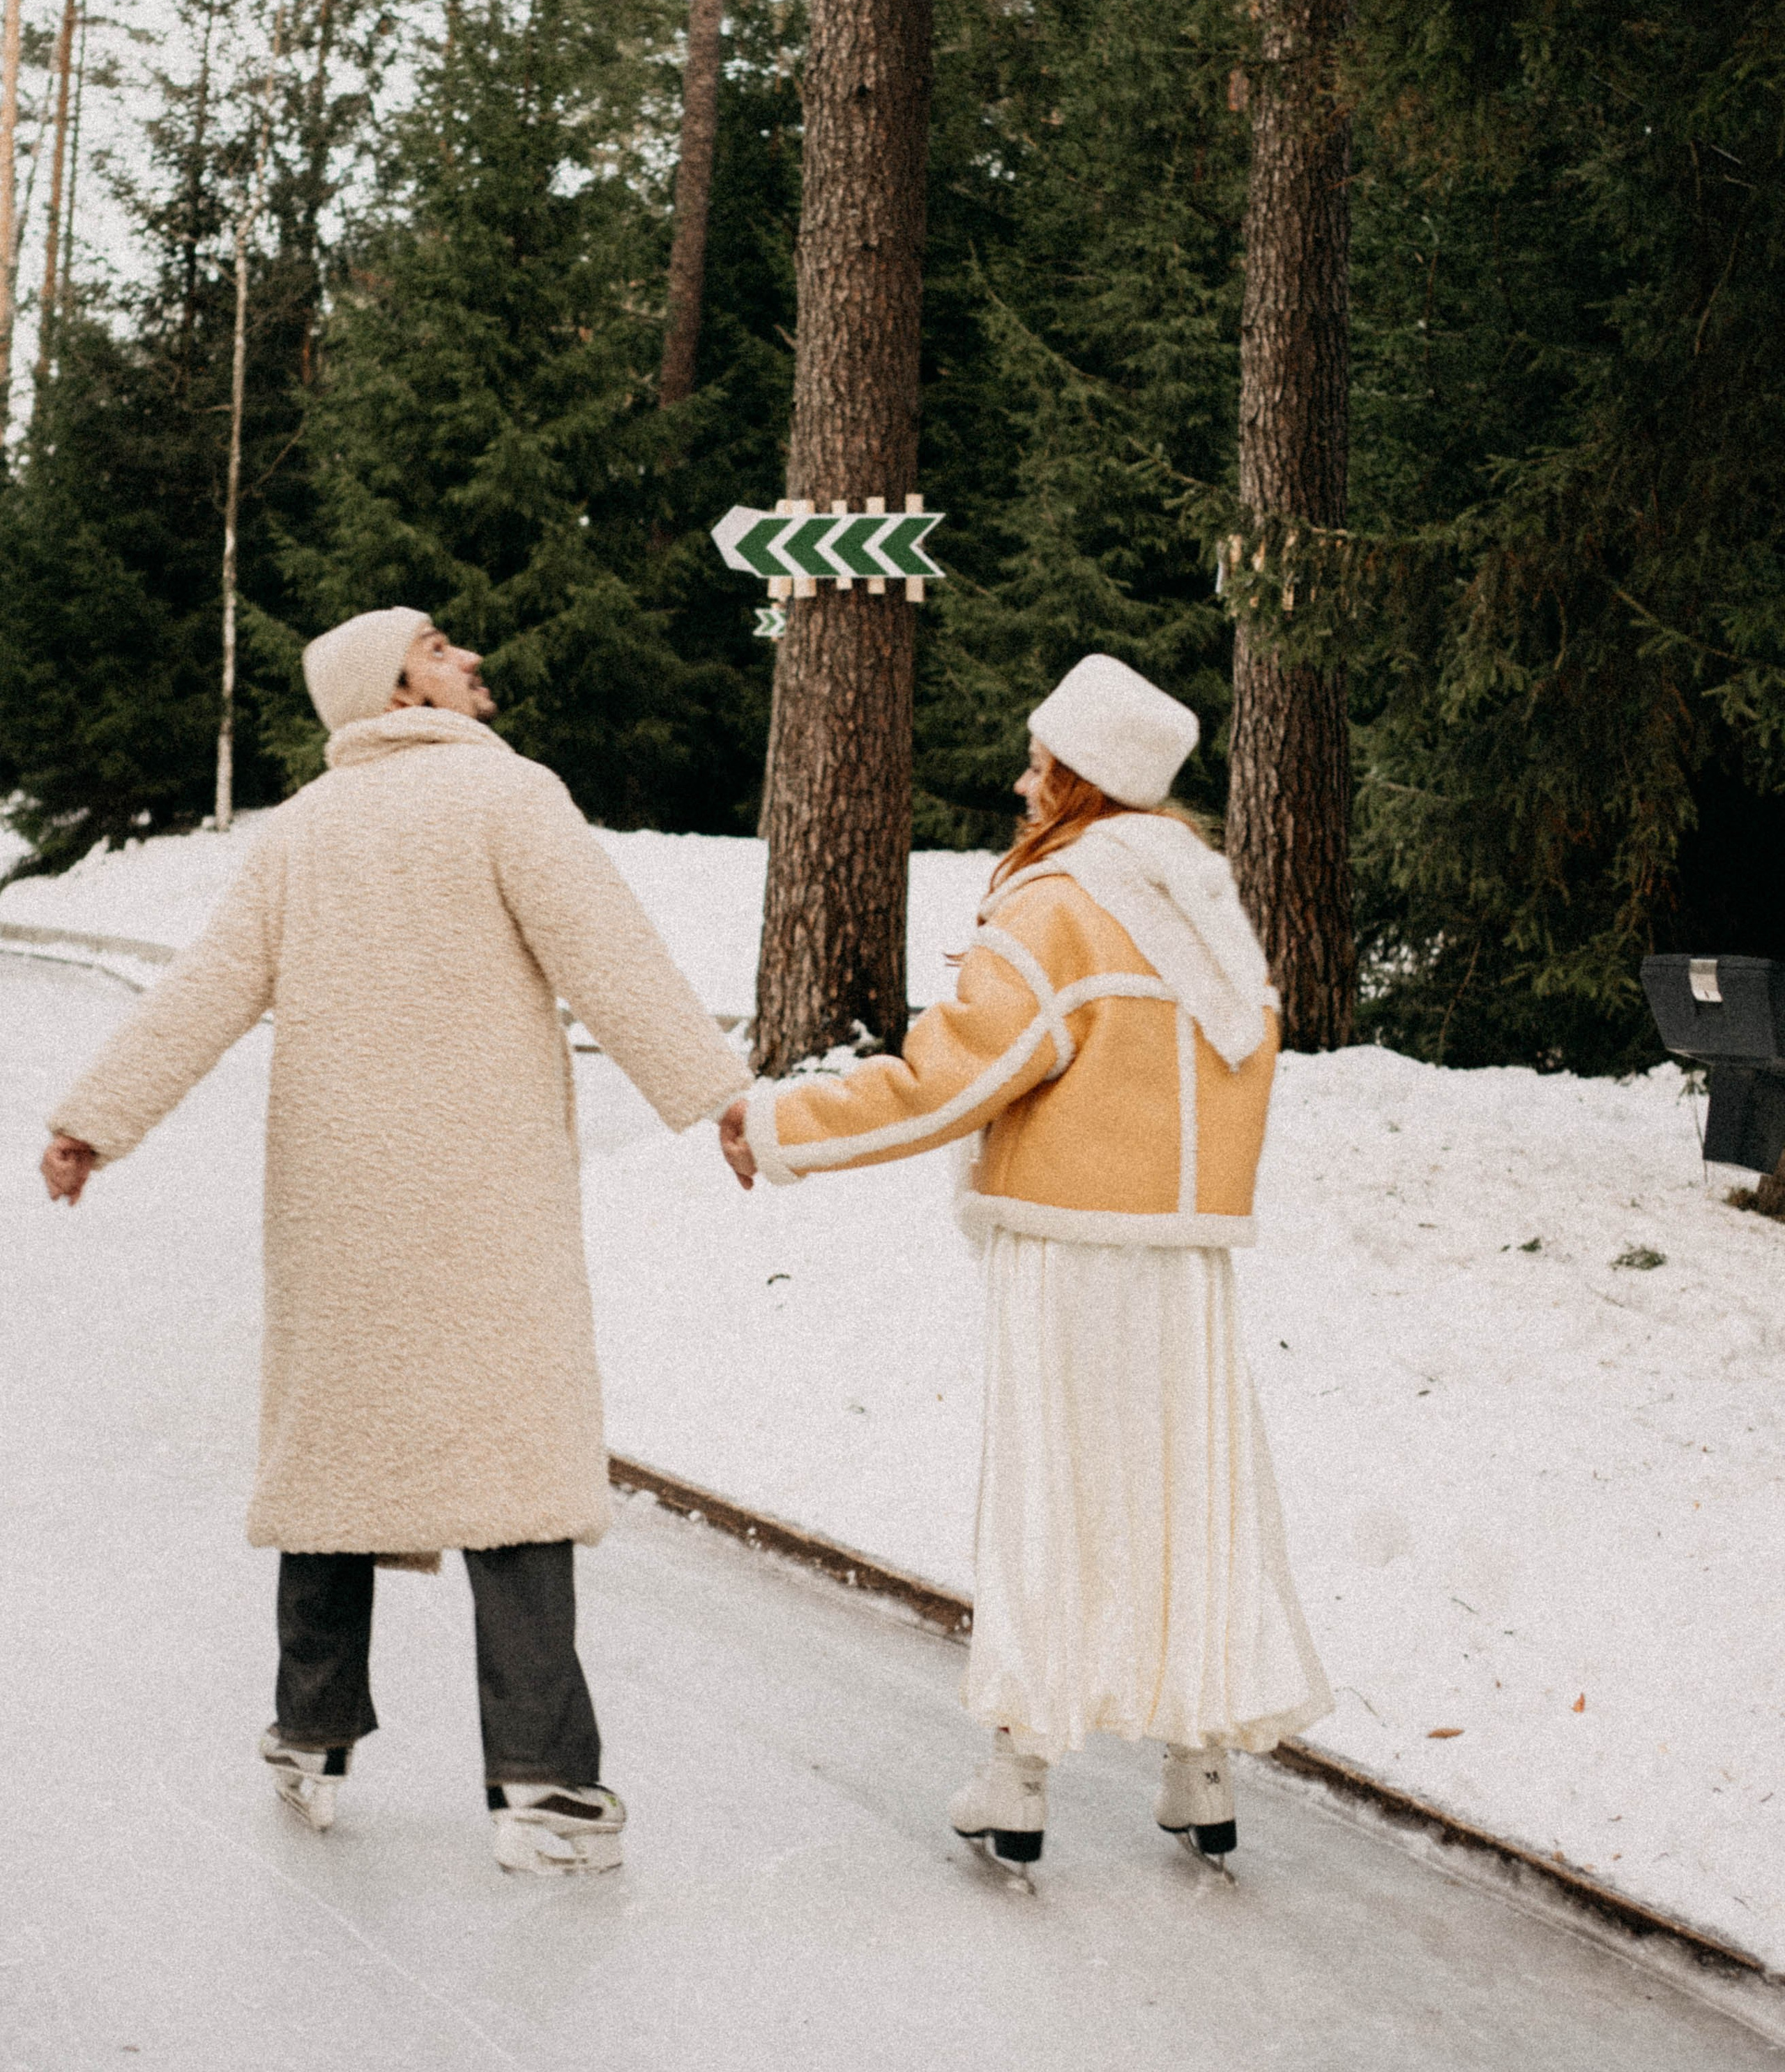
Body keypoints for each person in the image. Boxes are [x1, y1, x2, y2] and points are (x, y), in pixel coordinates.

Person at [41, 608, 750, 1876]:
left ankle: (310, 1735)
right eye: (437, 647)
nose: (467, 657)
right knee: (513, 1458)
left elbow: (206, 987)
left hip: (342, 1197)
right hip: (487, 1194)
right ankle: (543, 1783)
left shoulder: (302, 831)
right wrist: (719, 1099)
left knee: (336, 1446)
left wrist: (97, 1118)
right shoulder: (510, 797)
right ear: (397, 689)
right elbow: (612, 957)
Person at [720, 653, 1331, 1873]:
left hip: (1067, 1249)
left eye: (1039, 761)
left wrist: (784, 1126)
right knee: (1189, 1501)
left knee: (1053, 1502)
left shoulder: (1059, 905)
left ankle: (1018, 1779)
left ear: (1080, 778)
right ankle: (1201, 1764)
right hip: (1187, 1261)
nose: (1022, 781)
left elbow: (953, 1077)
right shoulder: (1204, 905)